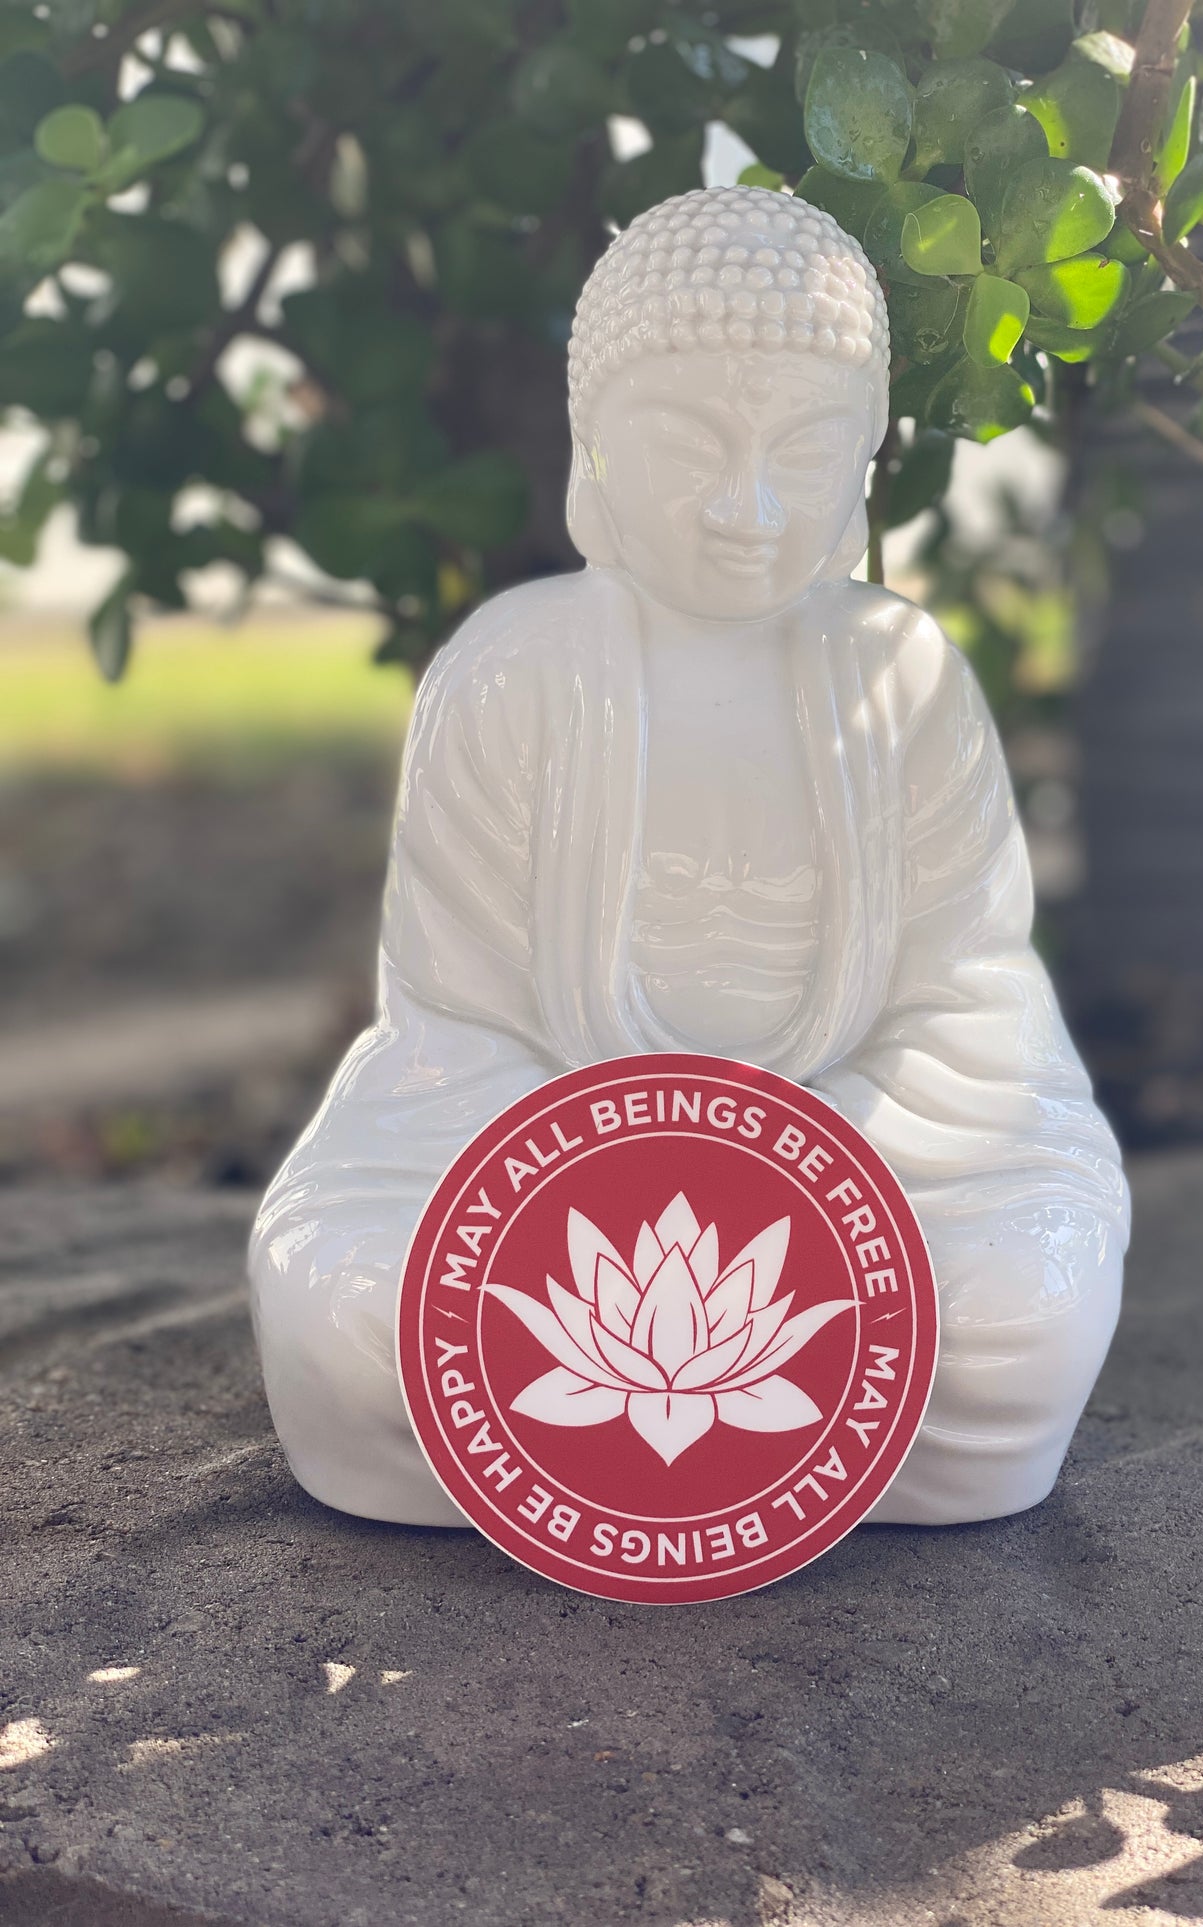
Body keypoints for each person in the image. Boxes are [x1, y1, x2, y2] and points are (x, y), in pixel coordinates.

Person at [249, 185, 1129, 1528]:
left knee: (1023, 1313)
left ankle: (672, 1432)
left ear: (866, 460)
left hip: (866, 1166)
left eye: (807, 448)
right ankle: (711, 1430)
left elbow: (969, 1016)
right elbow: (453, 1036)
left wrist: (791, 1182)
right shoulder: (510, 673)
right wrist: (621, 1179)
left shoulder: (903, 681)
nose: (747, 507)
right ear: (592, 445)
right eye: (686, 444)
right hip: (549, 1185)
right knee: (355, 1305)